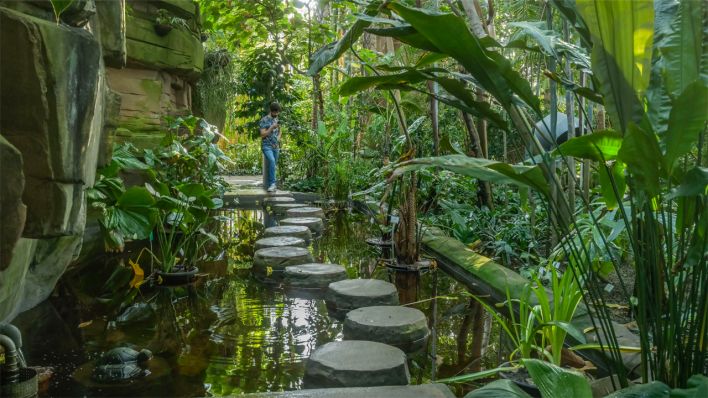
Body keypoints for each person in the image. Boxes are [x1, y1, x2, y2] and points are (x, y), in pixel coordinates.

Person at [259, 102, 282, 192]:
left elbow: (280, 131)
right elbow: (262, 135)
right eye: (275, 113)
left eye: (277, 113)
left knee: (273, 164)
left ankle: (270, 185)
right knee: (272, 161)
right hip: (266, 146)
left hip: (275, 146)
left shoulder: (277, 119)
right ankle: (273, 184)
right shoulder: (264, 120)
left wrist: (278, 138)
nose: (276, 114)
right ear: (271, 111)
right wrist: (271, 128)